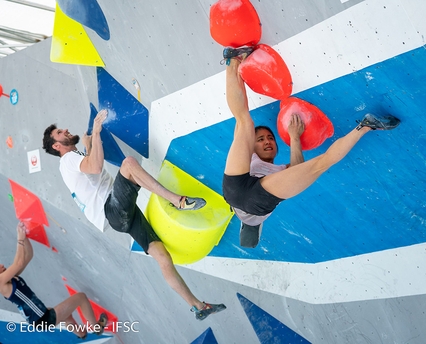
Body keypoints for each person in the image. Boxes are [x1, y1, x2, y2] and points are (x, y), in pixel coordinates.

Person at [42, 112, 226, 321]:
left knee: (162, 257)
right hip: (113, 209)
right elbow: (95, 166)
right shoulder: (67, 160)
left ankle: (198, 306)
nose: (65, 130)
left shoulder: (72, 160)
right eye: (60, 132)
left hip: (118, 216)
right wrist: (95, 132)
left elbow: (89, 170)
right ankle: (177, 201)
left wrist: (89, 145)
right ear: (56, 146)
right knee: (128, 164)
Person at [221, 47, 401, 248]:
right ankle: (365, 126)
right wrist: (294, 137)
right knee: (244, 122)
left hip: (237, 193)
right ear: (253, 148)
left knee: (243, 122)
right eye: (262, 139)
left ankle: (233, 62)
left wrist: (293, 137)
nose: (267, 142)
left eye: (270, 138)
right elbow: (298, 169)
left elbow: (297, 171)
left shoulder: (258, 162)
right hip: (247, 199)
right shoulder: (269, 166)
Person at [0, 222, 107, 339]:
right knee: (81, 298)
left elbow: (27, 256)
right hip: (43, 319)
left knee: (66, 315)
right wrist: (20, 239)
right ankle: (96, 327)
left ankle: (81, 334)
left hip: (39, 317)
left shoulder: (9, 278)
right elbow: (18, 263)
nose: (2, 265)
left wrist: (25, 237)